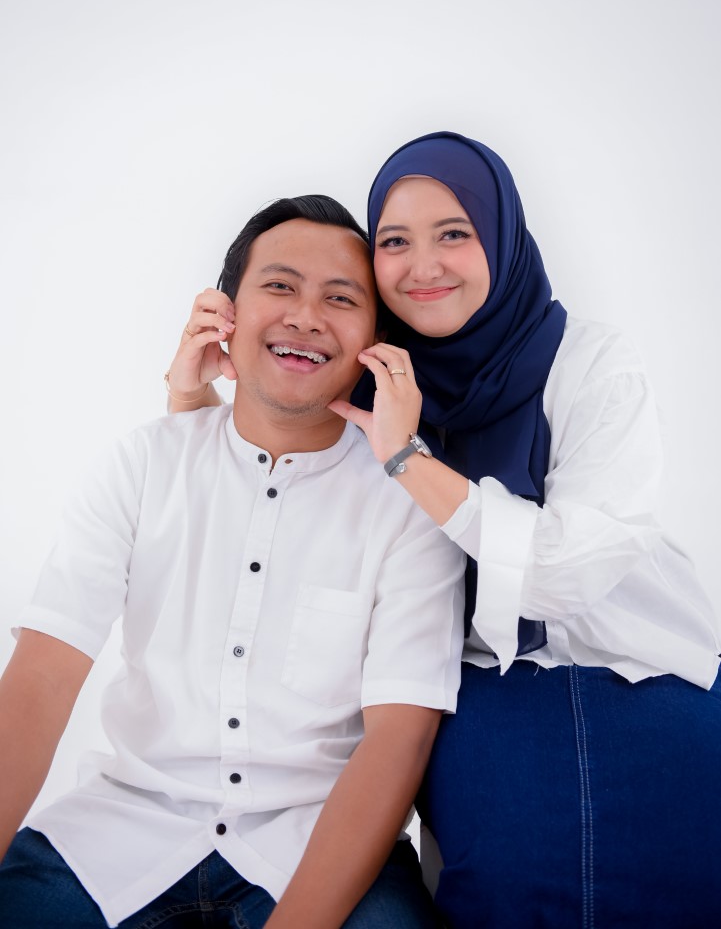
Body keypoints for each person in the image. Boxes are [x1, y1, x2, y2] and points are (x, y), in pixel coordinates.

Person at [165, 133, 721, 928]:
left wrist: (407, 458)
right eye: (394, 242)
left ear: (500, 235)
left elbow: (564, 575)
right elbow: (253, 531)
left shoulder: (589, 364)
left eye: (453, 233)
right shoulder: (368, 378)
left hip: (641, 674)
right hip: (472, 702)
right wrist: (194, 405)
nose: (422, 265)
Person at [0, 195, 467, 929]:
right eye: (279, 286)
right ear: (225, 313)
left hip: (318, 842)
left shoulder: (409, 501)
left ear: (376, 340)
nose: (306, 317)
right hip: (118, 834)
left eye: (340, 299)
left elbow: (398, 740)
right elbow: (40, 679)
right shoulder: (142, 464)